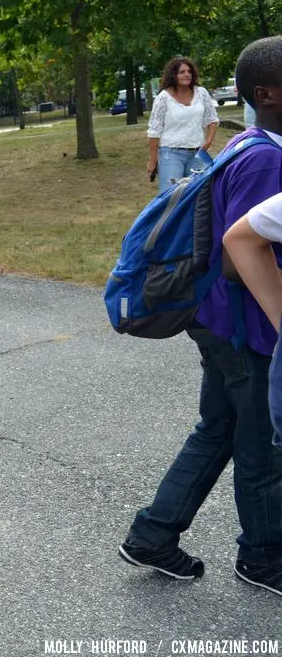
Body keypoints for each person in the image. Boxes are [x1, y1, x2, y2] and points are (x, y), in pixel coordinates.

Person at [118, 36, 282, 598]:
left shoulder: (249, 143)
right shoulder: (265, 159)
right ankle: (262, 558)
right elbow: (243, 255)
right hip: (244, 328)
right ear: (267, 93)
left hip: (220, 321)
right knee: (262, 448)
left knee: (219, 430)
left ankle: (153, 534)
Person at [146, 57, 220, 192]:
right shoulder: (163, 98)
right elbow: (154, 132)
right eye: (182, 72)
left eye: (189, 71)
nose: (187, 74)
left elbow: (212, 119)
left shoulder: (201, 93)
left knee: (200, 195)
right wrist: (152, 160)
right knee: (171, 195)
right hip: (171, 154)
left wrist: (208, 141)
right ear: (173, 75)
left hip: (197, 154)